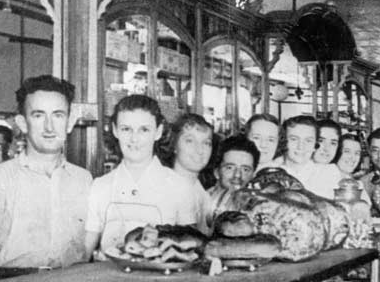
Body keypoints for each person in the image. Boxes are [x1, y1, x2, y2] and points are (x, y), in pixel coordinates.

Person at [0, 75, 93, 282]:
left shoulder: (84, 180)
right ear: (23, 123)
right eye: (38, 115)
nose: (49, 127)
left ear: (69, 122)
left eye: (58, 115)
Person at [84, 95, 197, 258]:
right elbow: (86, 252)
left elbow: (189, 249)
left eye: (144, 130)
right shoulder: (100, 186)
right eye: (126, 129)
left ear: (158, 132)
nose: (134, 138)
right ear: (115, 130)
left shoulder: (180, 186)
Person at [262, 115, 345, 199]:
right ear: (283, 142)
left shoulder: (328, 173)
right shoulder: (270, 171)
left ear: (315, 145)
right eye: (294, 139)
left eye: (308, 140)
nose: (301, 146)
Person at [166, 113, 215, 233]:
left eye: (206, 143)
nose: (199, 150)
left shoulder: (201, 191)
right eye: (190, 141)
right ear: (174, 146)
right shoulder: (169, 188)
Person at [208, 135, 259, 219]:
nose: (237, 175)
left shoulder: (257, 207)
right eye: (230, 168)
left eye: (245, 169)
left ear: (253, 174)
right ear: (216, 172)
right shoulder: (202, 204)